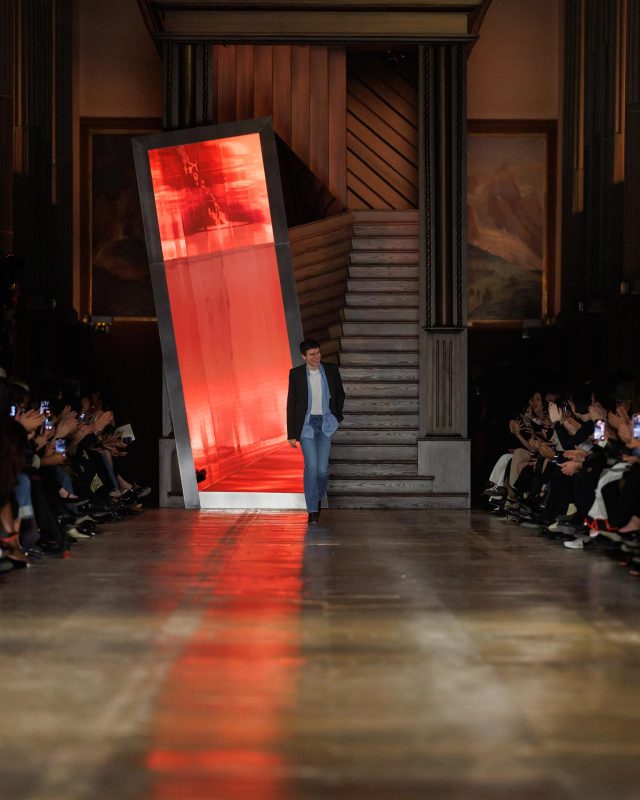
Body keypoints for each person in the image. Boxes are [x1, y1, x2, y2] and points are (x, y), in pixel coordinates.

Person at [287, 338, 345, 524]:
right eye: (312, 354)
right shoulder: (296, 374)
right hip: (306, 425)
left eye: (318, 353)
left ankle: (317, 497)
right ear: (304, 357)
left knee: (322, 470)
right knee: (311, 466)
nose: (316, 357)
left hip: (325, 423)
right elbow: (292, 403)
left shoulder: (330, 370)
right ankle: (312, 509)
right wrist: (291, 433)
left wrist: (336, 415)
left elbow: (340, 394)